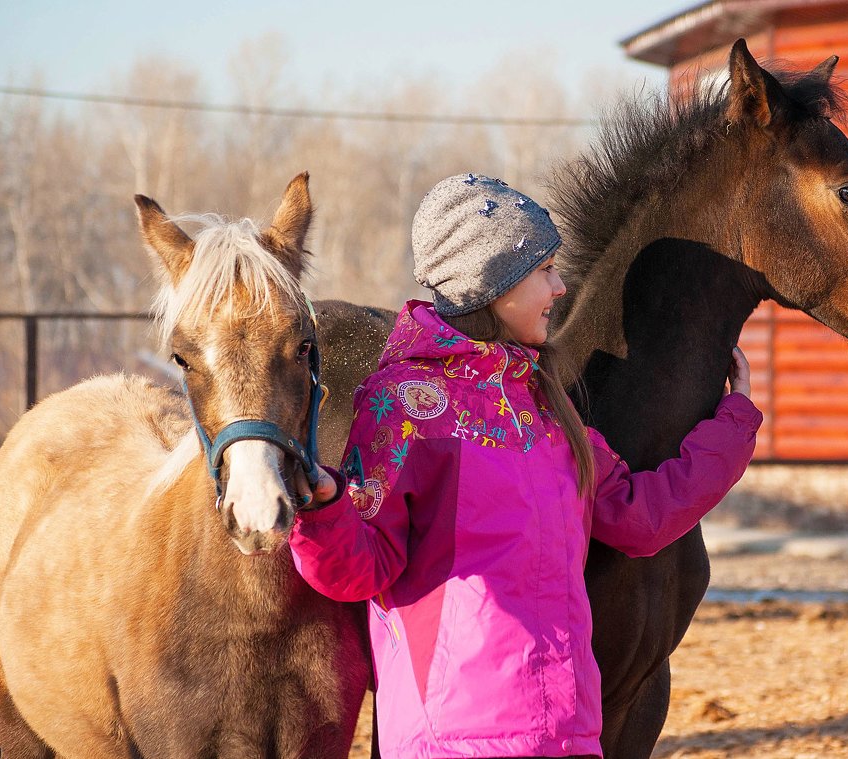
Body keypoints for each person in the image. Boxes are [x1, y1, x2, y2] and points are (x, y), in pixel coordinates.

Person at [290, 174, 762, 759]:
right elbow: (360, 569)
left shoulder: (544, 405)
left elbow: (641, 518)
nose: (561, 287)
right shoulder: (404, 405)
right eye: (543, 270)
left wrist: (733, 424)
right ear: (491, 285)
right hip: (453, 741)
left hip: (564, 732)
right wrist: (325, 508)